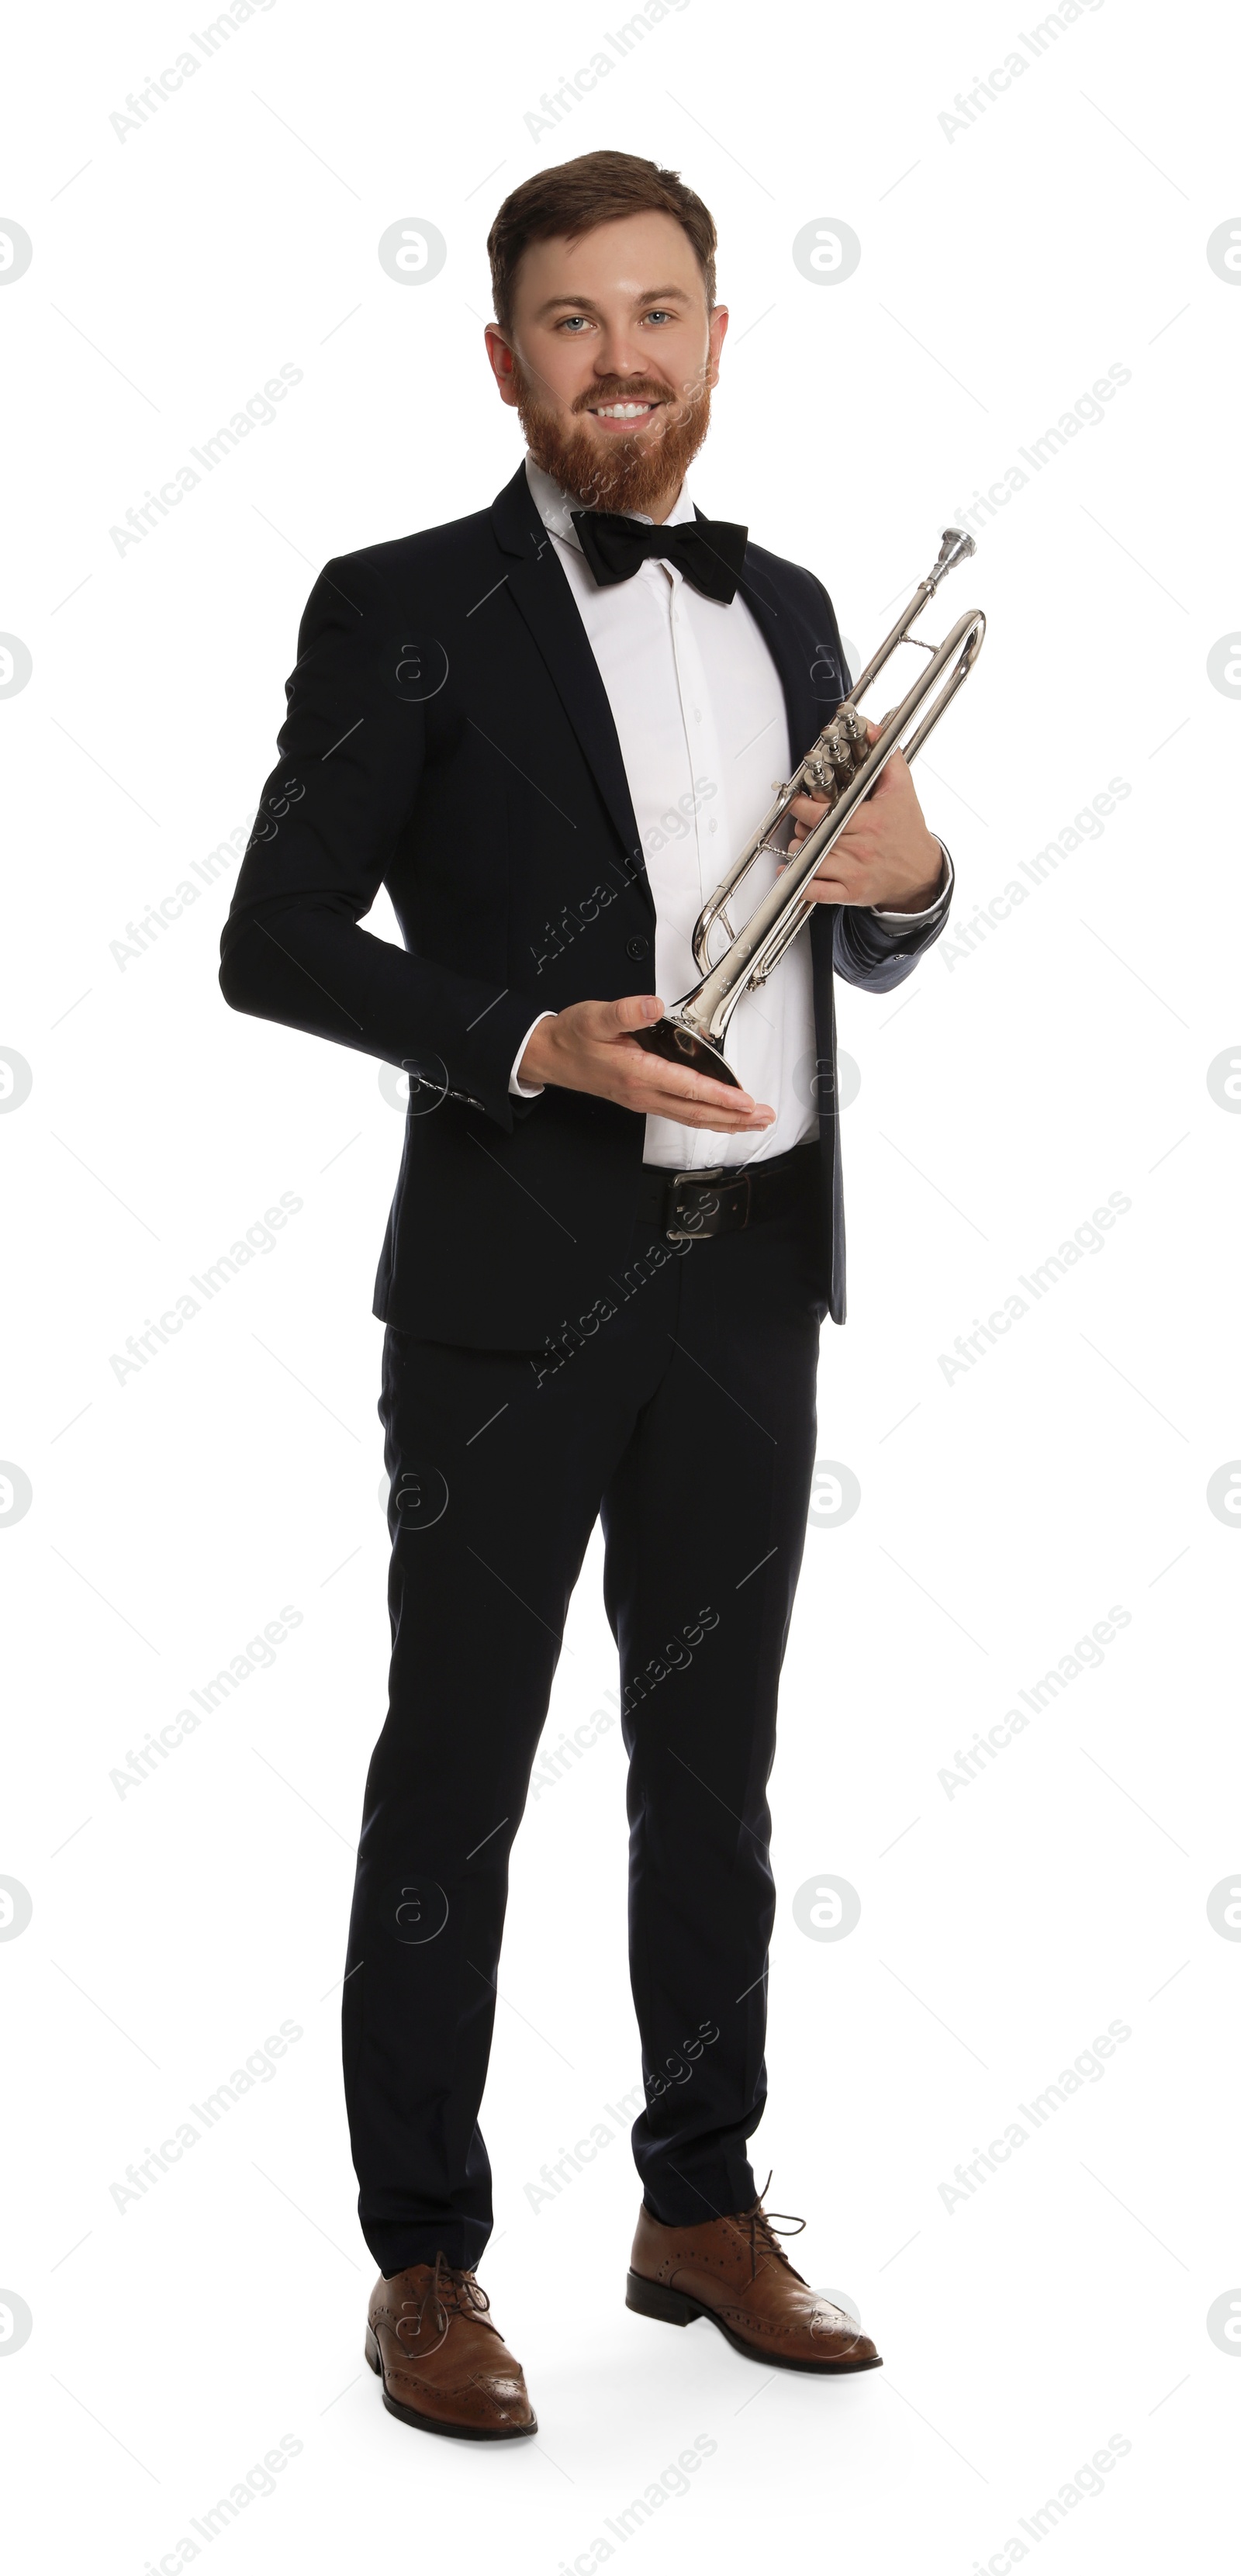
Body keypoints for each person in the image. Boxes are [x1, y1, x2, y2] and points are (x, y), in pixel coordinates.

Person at [219, 148, 956, 2440]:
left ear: (720, 336)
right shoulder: (398, 601)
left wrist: (917, 877)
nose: (620, 355)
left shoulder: (805, 602)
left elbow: (858, 919)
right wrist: (525, 1039)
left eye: (659, 312)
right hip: (510, 1286)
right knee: (456, 1775)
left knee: (711, 1775)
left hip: (752, 1274)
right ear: (506, 357)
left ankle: (698, 2201)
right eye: (571, 319)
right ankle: (425, 2260)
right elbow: (271, 939)